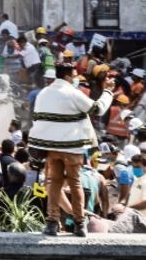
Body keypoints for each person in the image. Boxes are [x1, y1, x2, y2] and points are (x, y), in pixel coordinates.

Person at [30, 62, 115, 236]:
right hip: (72, 148)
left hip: (51, 147)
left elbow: (38, 119)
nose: (76, 78)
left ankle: (52, 222)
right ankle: (79, 223)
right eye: (74, 75)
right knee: (75, 183)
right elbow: (97, 109)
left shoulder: (43, 93)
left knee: (54, 183)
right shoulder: (72, 93)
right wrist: (108, 92)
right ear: (68, 76)